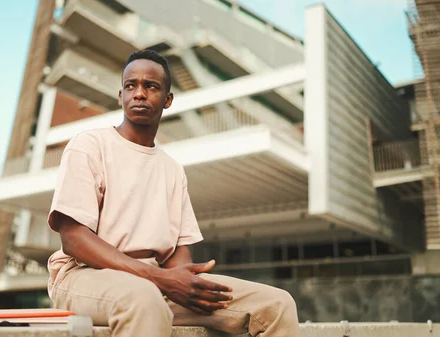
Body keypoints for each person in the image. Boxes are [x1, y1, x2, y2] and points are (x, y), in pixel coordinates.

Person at [47, 49, 299, 337]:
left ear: (167, 100)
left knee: (277, 304)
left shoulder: (172, 169)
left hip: (155, 281)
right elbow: (74, 240)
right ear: (121, 96)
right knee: (143, 299)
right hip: (83, 276)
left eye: (150, 86)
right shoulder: (90, 145)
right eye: (131, 86)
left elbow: (179, 249)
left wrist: (184, 282)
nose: (139, 94)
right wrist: (162, 279)